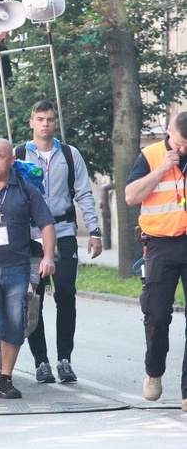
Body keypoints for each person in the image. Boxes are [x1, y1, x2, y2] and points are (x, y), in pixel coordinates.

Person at [18, 100, 102, 384]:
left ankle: (64, 358)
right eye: (40, 119)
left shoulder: (69, 154)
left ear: (56, 123)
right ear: (31, 122)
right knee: (34, 299)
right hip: (30, 237)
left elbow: (84, 193)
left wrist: (94, 230)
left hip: (64, 231)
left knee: (66, 292)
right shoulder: (19, 155)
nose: (45, 124)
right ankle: (41, 362)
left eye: (50, 119)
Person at [0, 139, 56, 401]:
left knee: (14, 323)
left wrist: (48, 257)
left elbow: (47, 224)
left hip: (17, 265)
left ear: (11, 160)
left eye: (0, 156)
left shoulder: (26, 188)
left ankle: (5, 379)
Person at [124, 111, 187, 411]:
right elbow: (130, 196)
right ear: (169, 132)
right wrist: (162, 168)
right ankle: (154, 371)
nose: (183, 149)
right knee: (158, 315)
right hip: (160, 245)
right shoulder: (150, 155)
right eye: (179, 143)